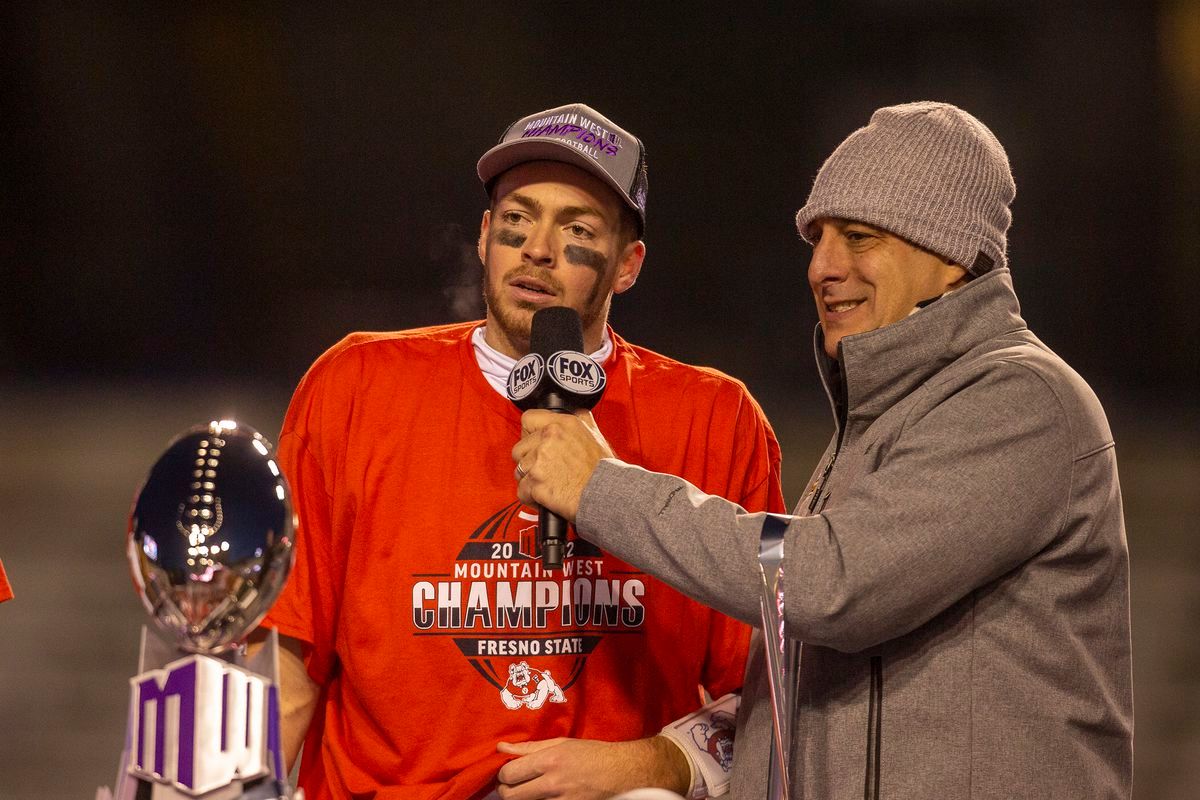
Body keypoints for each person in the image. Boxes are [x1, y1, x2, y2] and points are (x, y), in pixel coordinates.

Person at [513, 101, 1133, 798]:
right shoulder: (886, 417)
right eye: (818, 238)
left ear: (954, 257)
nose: (823, 268)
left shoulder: (1020, 401)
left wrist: (601, 487)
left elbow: (828, 584)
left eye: (860, 237)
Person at [259, 102, 786, 800]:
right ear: (484, 236)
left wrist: (644, 766)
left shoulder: (715, 420)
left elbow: (770, 694)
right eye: (518, 218)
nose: (537, 247)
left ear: (628, 265)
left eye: (577, 229)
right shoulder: (352, 387)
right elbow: (286, 658)